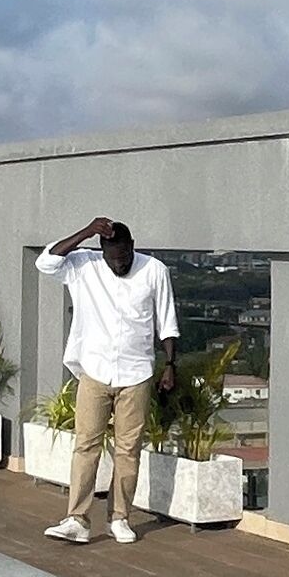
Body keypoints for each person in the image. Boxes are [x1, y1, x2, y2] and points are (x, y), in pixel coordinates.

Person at [33, 217, 178, 546]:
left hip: (137, 373)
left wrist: (170, 365)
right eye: (112, 258)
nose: (119, 264)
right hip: (94, 371)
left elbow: (167, 321)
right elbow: (46, 262)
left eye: (124, 257)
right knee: (86, 445)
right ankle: (77, 519)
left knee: (128, 450)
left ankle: (120, 517)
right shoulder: (83, 265)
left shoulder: (154, 270)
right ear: (102, 252)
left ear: (132, 247)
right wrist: (86, 232)